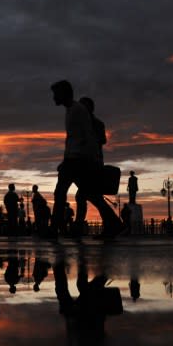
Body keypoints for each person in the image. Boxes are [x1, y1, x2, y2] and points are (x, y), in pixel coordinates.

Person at [49, 80, 123, 239]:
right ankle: (114, 223)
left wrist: (88, 160)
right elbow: (72, 139)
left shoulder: (76, 111)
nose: (53, 97)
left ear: (64, 93)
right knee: (90, 194)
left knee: (62, 192)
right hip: (77, 159)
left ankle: (54, 228)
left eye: (56, 94)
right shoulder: (71, 110)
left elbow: (85, 138)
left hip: (78, 160)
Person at [73, 96, 106, 236]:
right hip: (85, 164)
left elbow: (102, 140)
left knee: (86, 196)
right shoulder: (82, 123)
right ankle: (78, 228)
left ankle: (78, 228)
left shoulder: (96, 123)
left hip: (92, 164)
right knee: (88, 196)